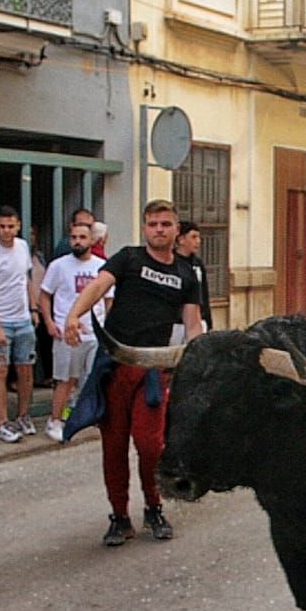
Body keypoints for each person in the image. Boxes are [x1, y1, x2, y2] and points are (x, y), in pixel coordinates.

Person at [63, 199, 205, 546]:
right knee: (113, 446)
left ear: (176, 230)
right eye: (153, 223)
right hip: (114, 364)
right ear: (145, 228)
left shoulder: (187, 274)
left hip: (154, 369)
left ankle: (154, 508)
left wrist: (199, 360)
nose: (159, 229)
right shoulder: (128, 258)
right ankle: (120, 517)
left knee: (149, 444)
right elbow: (98, 286)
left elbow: (191, 323)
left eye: (166, 224)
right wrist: (74, 314)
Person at [0, 206, 40, 442]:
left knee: (25, 369)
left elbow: (26, 280)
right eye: (2, 226)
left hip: (22, 318)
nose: (6, 231)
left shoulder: (22, 247)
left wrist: (33, 308)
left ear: (18, 226)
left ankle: (23, 415)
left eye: (11, 226)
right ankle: (2, 422)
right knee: (0, 370)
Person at [40, 220, 108, 440]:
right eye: (74, 237)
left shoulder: (101, 266)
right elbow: (44, 295)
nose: (77, 241)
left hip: (94, 334)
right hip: (66, 333)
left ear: (92, 240)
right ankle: (55, 421)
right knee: (65, 379)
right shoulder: (59, 265)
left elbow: (109, 299)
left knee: (94, 378)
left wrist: (107, 327)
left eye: (82, 237)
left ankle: (91, 416)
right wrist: (50, 323)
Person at [175, 219, 215, 331]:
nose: (198, 241)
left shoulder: (197, 263)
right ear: (181, 239)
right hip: (177, 323)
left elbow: (204, 293)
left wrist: (208, 322)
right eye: (193, 237)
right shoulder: (172, 262)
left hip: (199, 320)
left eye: (198, 237)